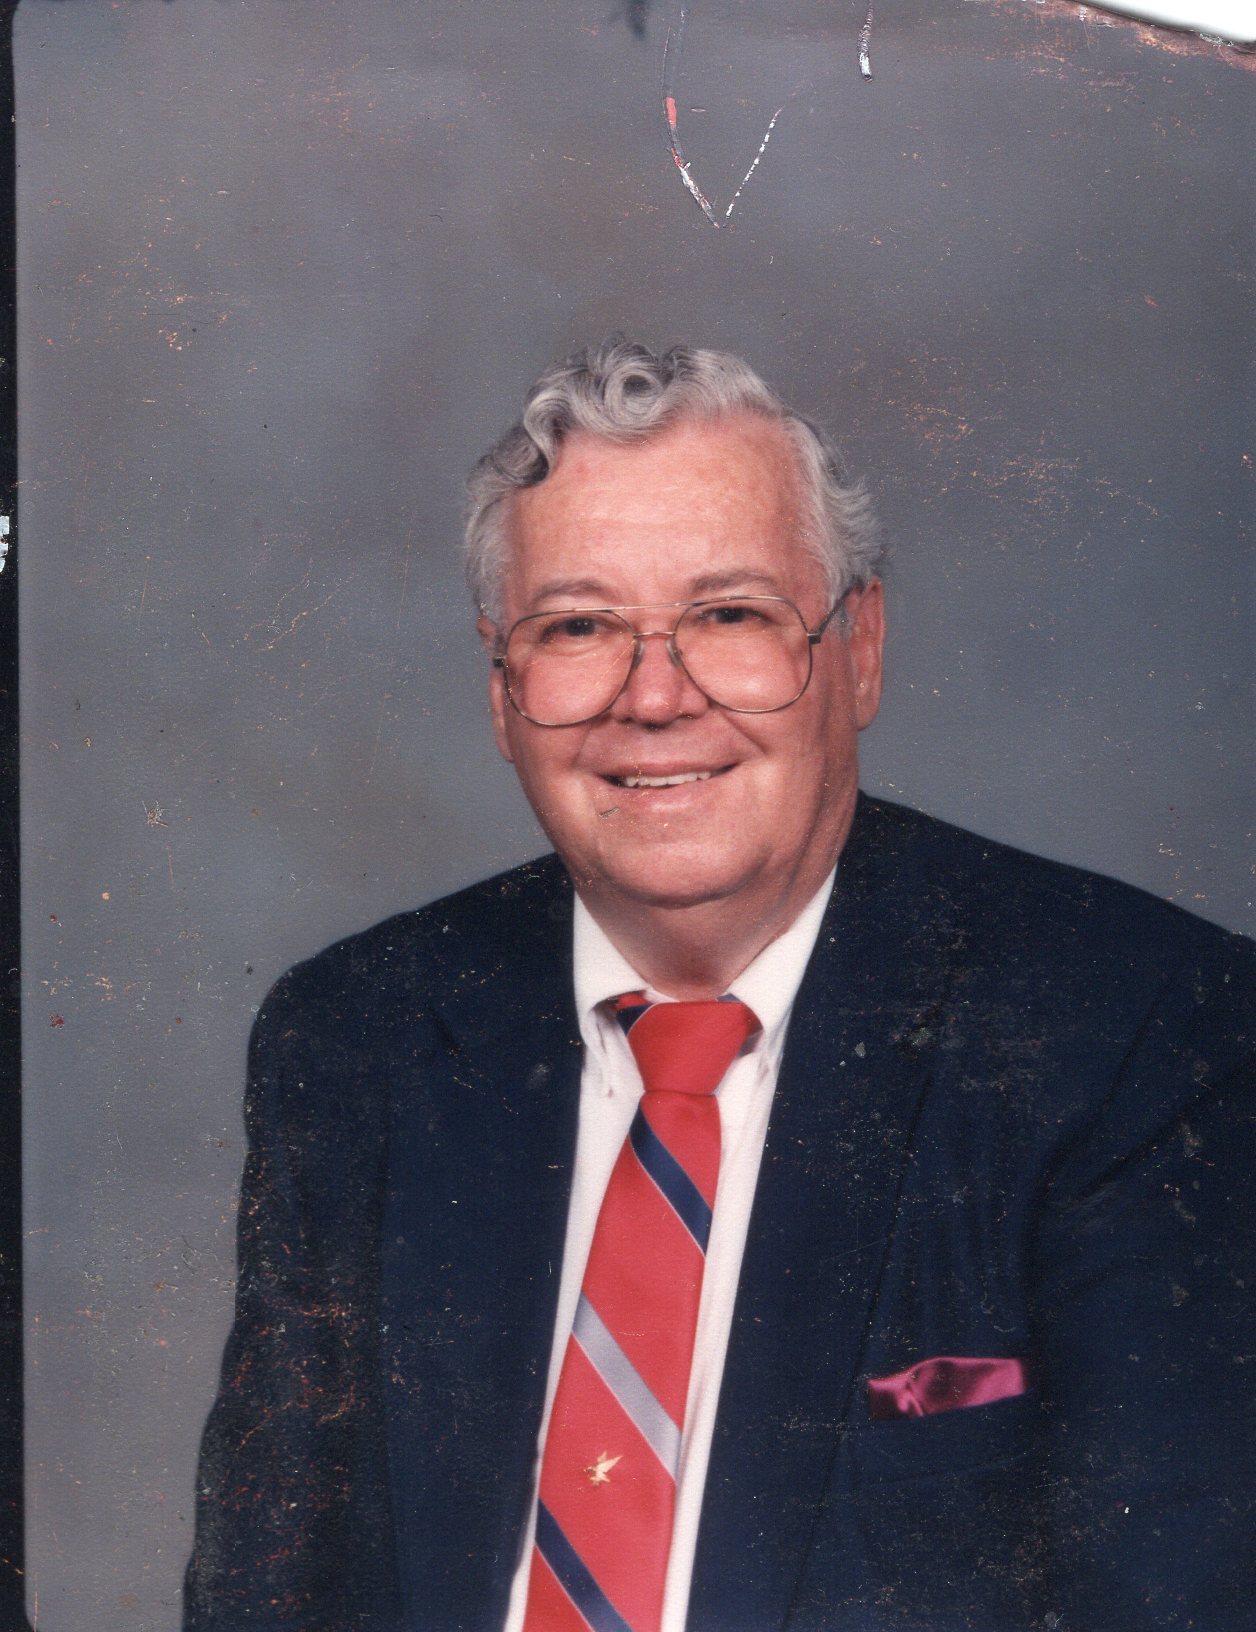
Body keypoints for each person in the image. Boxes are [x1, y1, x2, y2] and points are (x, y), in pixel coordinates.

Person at [183, 341, 1256, 1632]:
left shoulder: (1137, 1033)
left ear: (859, 648)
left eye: (730, 616)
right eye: (578, 627)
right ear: (502, 692)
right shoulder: (355, 1041)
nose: (654, 697)